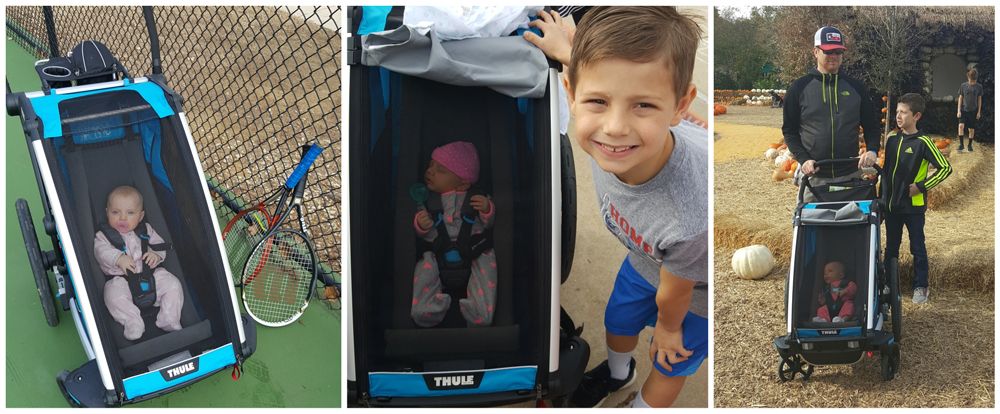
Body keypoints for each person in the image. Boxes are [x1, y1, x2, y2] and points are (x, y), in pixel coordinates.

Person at [527, 7, 707, 408]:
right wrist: (566, 51)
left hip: (694, 295)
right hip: (645, 260)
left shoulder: (690, 216)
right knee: (618, 321)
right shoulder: (617, 134)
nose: (615, 127)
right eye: (598, 101)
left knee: (670, 361)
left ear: (680, 105)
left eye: (643, 105)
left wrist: (668, 327)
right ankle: (618, 373)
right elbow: (605, 76)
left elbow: (674, 295)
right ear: (572, 94)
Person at [782, 26, 880, 201]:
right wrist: (804, 159)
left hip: (850, 175)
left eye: (838, 51)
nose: (833, 56)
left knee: (852, 219)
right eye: (828, 51)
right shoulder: (799, 88)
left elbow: (871, 126)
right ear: (815, 52)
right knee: (810, 219)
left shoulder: (856, 88)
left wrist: (872, 149)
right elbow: (789, 131)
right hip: (814, 176)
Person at [410, 141, 498, 327]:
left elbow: (489, 224)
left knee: (487, 266)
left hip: (474, 250)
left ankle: (479, 311)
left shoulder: (476, 197)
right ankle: (426, 309)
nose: (430, 172)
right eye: (430, 165)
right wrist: (421, 225)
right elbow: (423, 235)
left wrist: (487, 209)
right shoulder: (427, 201)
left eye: (440, 170)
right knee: (424, 269)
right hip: (437, 251)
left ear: (463, 183)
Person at [881, 93, 952, 304]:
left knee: (917, 247)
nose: (898, 116)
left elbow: (945, 168)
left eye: (903, 112)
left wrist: (921, 187)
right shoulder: (892, 139)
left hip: (913, 207)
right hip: (892, 206)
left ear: (917, 116)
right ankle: (887, 284)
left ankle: (921, 286)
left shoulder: (924, 142)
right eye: (897, 112)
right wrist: (882, 199)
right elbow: (886, 172)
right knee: (891, 247)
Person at [95, 186, 183, 340]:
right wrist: (118, 258)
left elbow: (159, 245)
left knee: (173, 284)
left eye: (130, 213)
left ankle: (169, 318)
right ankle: (132, 322)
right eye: (115, 212)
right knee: (111, 294)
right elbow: (101, 252)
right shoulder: (103, 236)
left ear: (141, 216)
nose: (122, 218)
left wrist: (156, 255)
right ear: (107, 212)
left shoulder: (146, 230)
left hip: (151, 276)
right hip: (121, 280)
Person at [956, 68, 983, 152]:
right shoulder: (963, 86)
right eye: (971, 81)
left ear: (976, 79)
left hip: (973, 111)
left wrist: (978, 112)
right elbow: (960, 98)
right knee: (961, 126)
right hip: (963, 110)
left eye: (973, 81)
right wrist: (958, 110)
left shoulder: (979, 87)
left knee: (971, 129)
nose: (972, 83)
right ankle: (961, 145)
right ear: (968, 77)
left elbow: (979, 99)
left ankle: (970, 145)